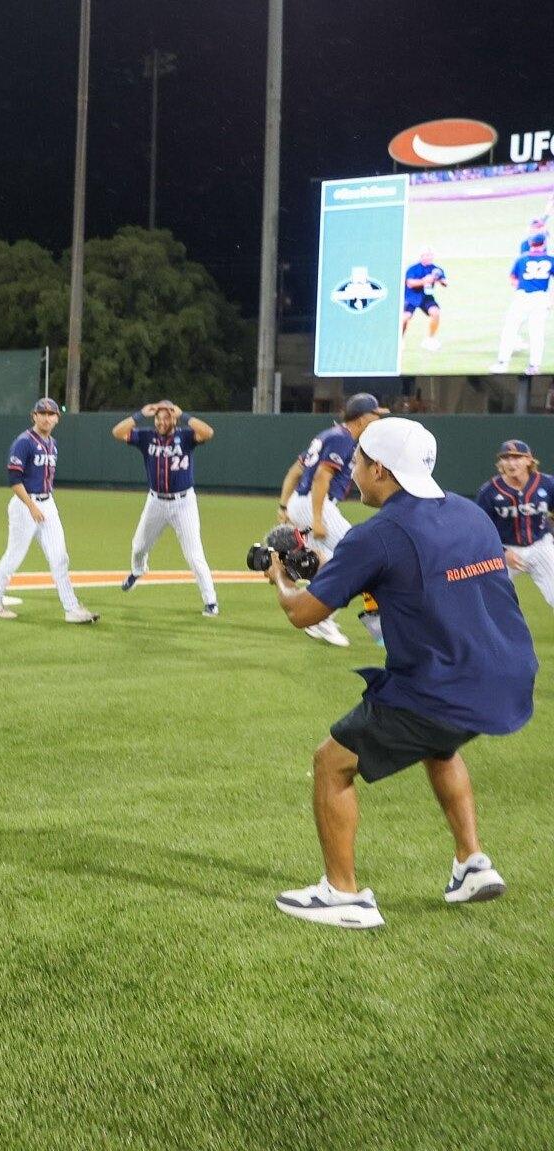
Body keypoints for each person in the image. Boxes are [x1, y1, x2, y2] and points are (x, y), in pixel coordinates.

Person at [266, 418, 535, 929]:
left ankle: (343, 895)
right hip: (505, 675)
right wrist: (337, 567)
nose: (353, 473)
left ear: (382, 470)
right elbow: (416, 573)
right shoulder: (469, 512)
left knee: (331, 763)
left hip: (442, 685)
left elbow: (305, 613)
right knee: (440, 744)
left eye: (360, 463)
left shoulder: (381, 532)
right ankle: (472, 863)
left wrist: (280, 579)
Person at [280, 392, 390, 647]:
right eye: (375, 415)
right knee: (361, 554)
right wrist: (317, 519)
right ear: (362, 418)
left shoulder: (329, 435)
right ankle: (321, 620)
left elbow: (295, 470)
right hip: (316, 504)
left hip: (303, 502)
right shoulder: (343, 438)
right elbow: (321, 477)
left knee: (327, 564)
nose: (379, 419)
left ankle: (316, 617)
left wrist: (284, 505)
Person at [0, 398, 98, 623]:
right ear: (34, 416)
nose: (47, 417)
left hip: (47, 503)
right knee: (15, 556)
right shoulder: (24, 442)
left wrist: (42, 506)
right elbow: (14, 479)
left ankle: (71, 608)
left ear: (57, 418)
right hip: (25, 504)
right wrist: (31, 506)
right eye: (42, 413)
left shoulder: (52, 443)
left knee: (59, 557)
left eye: (51, 414)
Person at [112, 400, 219, 615]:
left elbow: (208, 432)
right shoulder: (146, 437)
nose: (162, 422)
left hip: (184, 502)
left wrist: (184, 415)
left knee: (194, 554)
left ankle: (210, 601)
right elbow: (117, 432)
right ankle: (138, 571)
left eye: (166, 417)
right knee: (139, 546)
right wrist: (140, 414)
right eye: (158, 418)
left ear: (173, 418)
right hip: (156, 502)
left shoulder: (186, 437)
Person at [475, 438, 554, 611]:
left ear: (529, 460)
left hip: (540, 545)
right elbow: (478, 529)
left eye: (517, 457)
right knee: (487, 600)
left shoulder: (547, 484)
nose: (511, 462)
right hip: (503, 549)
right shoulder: (489, 491)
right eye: (506, 458)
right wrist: (501, 552)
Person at [491, 232, 552, 375]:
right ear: (543, 244)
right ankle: (534, 366)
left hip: (523, 297)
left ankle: (502, 363)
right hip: (541, 298)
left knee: (510, 329)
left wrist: (521, 285)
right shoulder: (550, 259)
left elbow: (513, 278)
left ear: (531, 243)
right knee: (537, 332)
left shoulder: (522, 258)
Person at [402, 247, 445, 352]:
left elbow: (445, 282)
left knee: (435, 313)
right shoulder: (413, 269)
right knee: (405, 318)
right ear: (421, 257)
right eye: (426, 255)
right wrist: (424, 281)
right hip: (411, 296)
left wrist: (438, 279)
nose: (429, 257)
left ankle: (430, 339)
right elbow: (410, 283)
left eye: (430, 255)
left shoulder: (435, 269)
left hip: (426, 297)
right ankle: (400, 340)